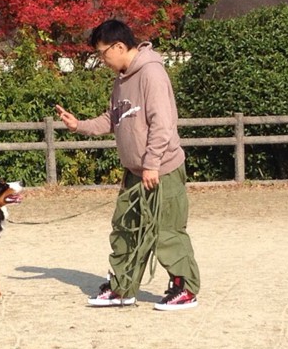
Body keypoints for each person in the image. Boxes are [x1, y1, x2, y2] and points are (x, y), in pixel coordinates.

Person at [56, 19, 200, 310]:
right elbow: (114, 119)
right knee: (125, 228)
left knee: (167, 230)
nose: (102, 59)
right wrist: (79, 125)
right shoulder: (121, 80)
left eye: (102, 53)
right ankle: (123, 286)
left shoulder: (151, 73)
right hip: (135, 172)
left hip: (162, 169)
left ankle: (184, 288)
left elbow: (163, 123)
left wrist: (151, 163)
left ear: (119, 46)